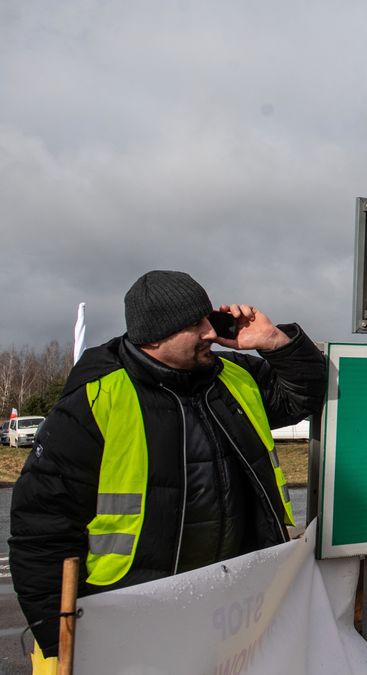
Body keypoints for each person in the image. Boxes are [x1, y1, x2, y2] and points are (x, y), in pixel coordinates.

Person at [9, 270, 327, 663]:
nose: (211, 332)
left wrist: (276, 343)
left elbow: (308, 396)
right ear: (154, 337)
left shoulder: (235, 377)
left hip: (237, 610)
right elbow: (42, 530)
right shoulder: (96, 401)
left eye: (208, 318)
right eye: (196, 325)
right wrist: (63, 642)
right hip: (134, 620)